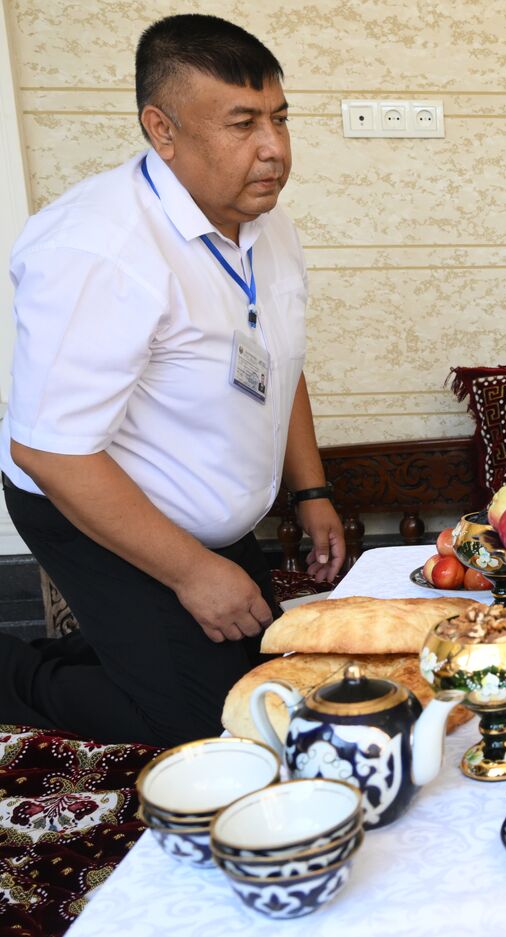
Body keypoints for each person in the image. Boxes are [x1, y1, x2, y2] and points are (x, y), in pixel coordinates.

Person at [0, 15, 344, 747]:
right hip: (86, 499)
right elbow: (51, 452)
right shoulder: (98, 247)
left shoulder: (266, 223)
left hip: (205, 509)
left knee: (273, 677)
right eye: (243, 123)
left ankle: (131, 647)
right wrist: (194, 573)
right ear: (163, 129)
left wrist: (310, 490)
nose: (274, 149)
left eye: (280, 119)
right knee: (204, 721)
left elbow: (278, 360)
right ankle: (14, 675)